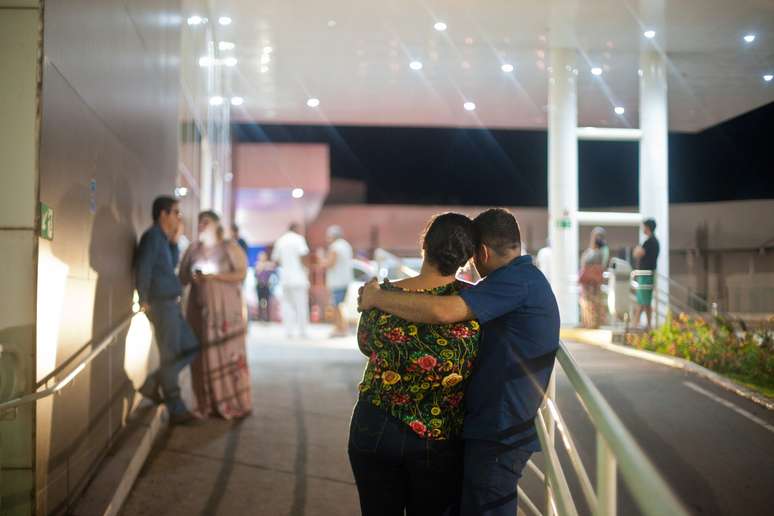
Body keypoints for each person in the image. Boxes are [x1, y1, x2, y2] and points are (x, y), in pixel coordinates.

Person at [359, 208, 560, 516]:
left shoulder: (508, 286)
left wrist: (378, 297)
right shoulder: (502, 288)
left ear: (480, 252)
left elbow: (439, 313)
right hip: (457, 433)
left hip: (493, 430)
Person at [350, 212, 480, 516]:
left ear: (425, 245)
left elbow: (365, 345)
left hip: (375, 425)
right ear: (467, 258)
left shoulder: (381, 295)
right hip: (439, 436)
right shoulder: (476, 303)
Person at [179, 211, 252, 419]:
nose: (201, 225)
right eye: (200, 222)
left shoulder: (229, 247)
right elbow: (182, 277)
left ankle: (231, 401)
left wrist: (216, 276)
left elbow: (241, 273)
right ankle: (206, 403)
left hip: (225, 314)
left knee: (227, 354)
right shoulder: (193, 249)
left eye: (206, 222)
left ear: (216, 224)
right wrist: (194, 276)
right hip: (199, 312)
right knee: (202, 357)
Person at [134, 196, 200, 425]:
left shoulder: (163, 239)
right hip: (161, 304)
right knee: (170, 355)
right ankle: (176, 407)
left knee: (191, 346)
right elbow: (144, 267)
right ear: (163, 214)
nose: (179, 217)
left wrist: (174, 241)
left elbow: (170, 265)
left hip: (172, 303)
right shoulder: (152, 237)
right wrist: (143, 299)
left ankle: (153, 383)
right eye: (176, 213)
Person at [271, 223, 311, 338]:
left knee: (287, 305)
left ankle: (289, 331)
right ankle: (302, 331)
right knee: (301, 305)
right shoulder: (299, 239)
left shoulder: (280, 241)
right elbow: (303, 255)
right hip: (298, 278)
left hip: (285, 278)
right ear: (296, 229)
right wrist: (306, 268)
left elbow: (276, 259)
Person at [321, 225, 354, 337]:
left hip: (337, 281)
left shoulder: (335, 247)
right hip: (346, 279)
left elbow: (330, 263)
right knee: (341, 305)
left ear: (332, 236)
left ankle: (340, 328)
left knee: (336, 305)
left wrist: (321, 261)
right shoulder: (346, 245)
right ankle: (342, 328)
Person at [632, 218, 660, 329]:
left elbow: (637, 253)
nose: (642, 229)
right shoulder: (654, 241)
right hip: (648, 274)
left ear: (648, 228)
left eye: (644, 227)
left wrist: (638, 249)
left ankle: (635, 325)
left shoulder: (649, 242)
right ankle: (648, 325)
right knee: (646, 301)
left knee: (641, 300)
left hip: (645, 275)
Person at [579, 227, 609, 329]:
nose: (597, 239)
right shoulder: (591, 250)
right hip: (588, 281)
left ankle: (595, 323)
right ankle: (588, 322)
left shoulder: (602, 250)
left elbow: (601, 264)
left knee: (595, 301)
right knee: (587, 300)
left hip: (594, 281)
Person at [254, 250, 277, 322]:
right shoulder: (257, 264)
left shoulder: (268, 265)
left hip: (266, 286)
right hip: (259, 286)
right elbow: (257, 272)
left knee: (267, 302)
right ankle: (260, 317)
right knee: (260, 302)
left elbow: (273, 267)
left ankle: (267, 318)